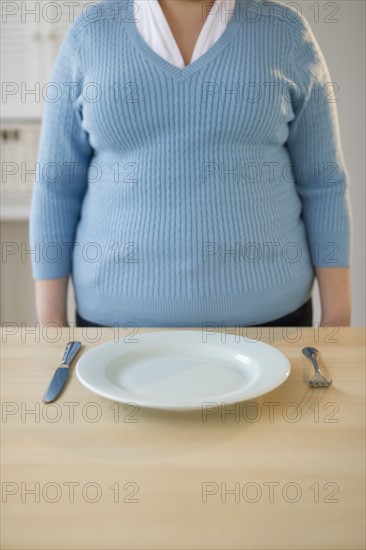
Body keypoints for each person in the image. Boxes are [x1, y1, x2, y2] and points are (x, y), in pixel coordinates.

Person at [29, 0, 352, 328]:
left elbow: (322, 182)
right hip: (113, 329)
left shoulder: (284, 33)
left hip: (273, 325)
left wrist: (337, 320)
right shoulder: (90, 34)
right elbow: (56, 185)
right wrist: (52, 326)